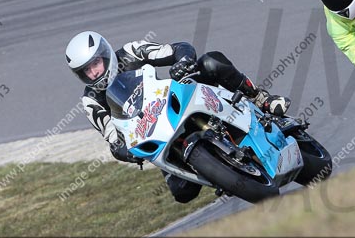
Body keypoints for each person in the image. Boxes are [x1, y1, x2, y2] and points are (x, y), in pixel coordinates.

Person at [65, 31, 290, 203]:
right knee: (182, 192)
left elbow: (178, 49)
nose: (94, 72)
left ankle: (262, 99)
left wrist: (182, 62)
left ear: (105, 55)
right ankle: (224, 173)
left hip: (176, 99)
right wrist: (125, 152)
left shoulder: (131, 52)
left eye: (95, 64)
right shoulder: (91, 101)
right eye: (87, 71)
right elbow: (112, 138)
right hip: (155, 134)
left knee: (210, 62)